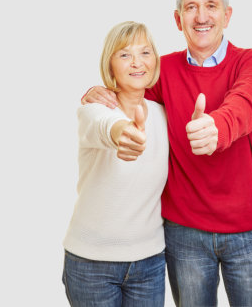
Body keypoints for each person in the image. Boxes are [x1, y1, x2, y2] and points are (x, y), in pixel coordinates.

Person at [82, 0, 252, 307]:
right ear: (177, 18)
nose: (201, 16)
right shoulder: (162, 70)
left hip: (248, 232)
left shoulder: (251, 61)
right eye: (191, 7)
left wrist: (218, 127)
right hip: (184, 234)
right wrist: (98, 90)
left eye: (211, 5)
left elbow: (249, 101)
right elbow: (129, 82)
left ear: (227, 14)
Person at [65, 21, 170, 307]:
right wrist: (124, 133)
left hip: (149, 264)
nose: (137, 62)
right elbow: (105, 126)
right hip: (92, 265)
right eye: (124, 55)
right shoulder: (94, 109)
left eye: (145, 52)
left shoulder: (164, 115)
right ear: (110, 65)